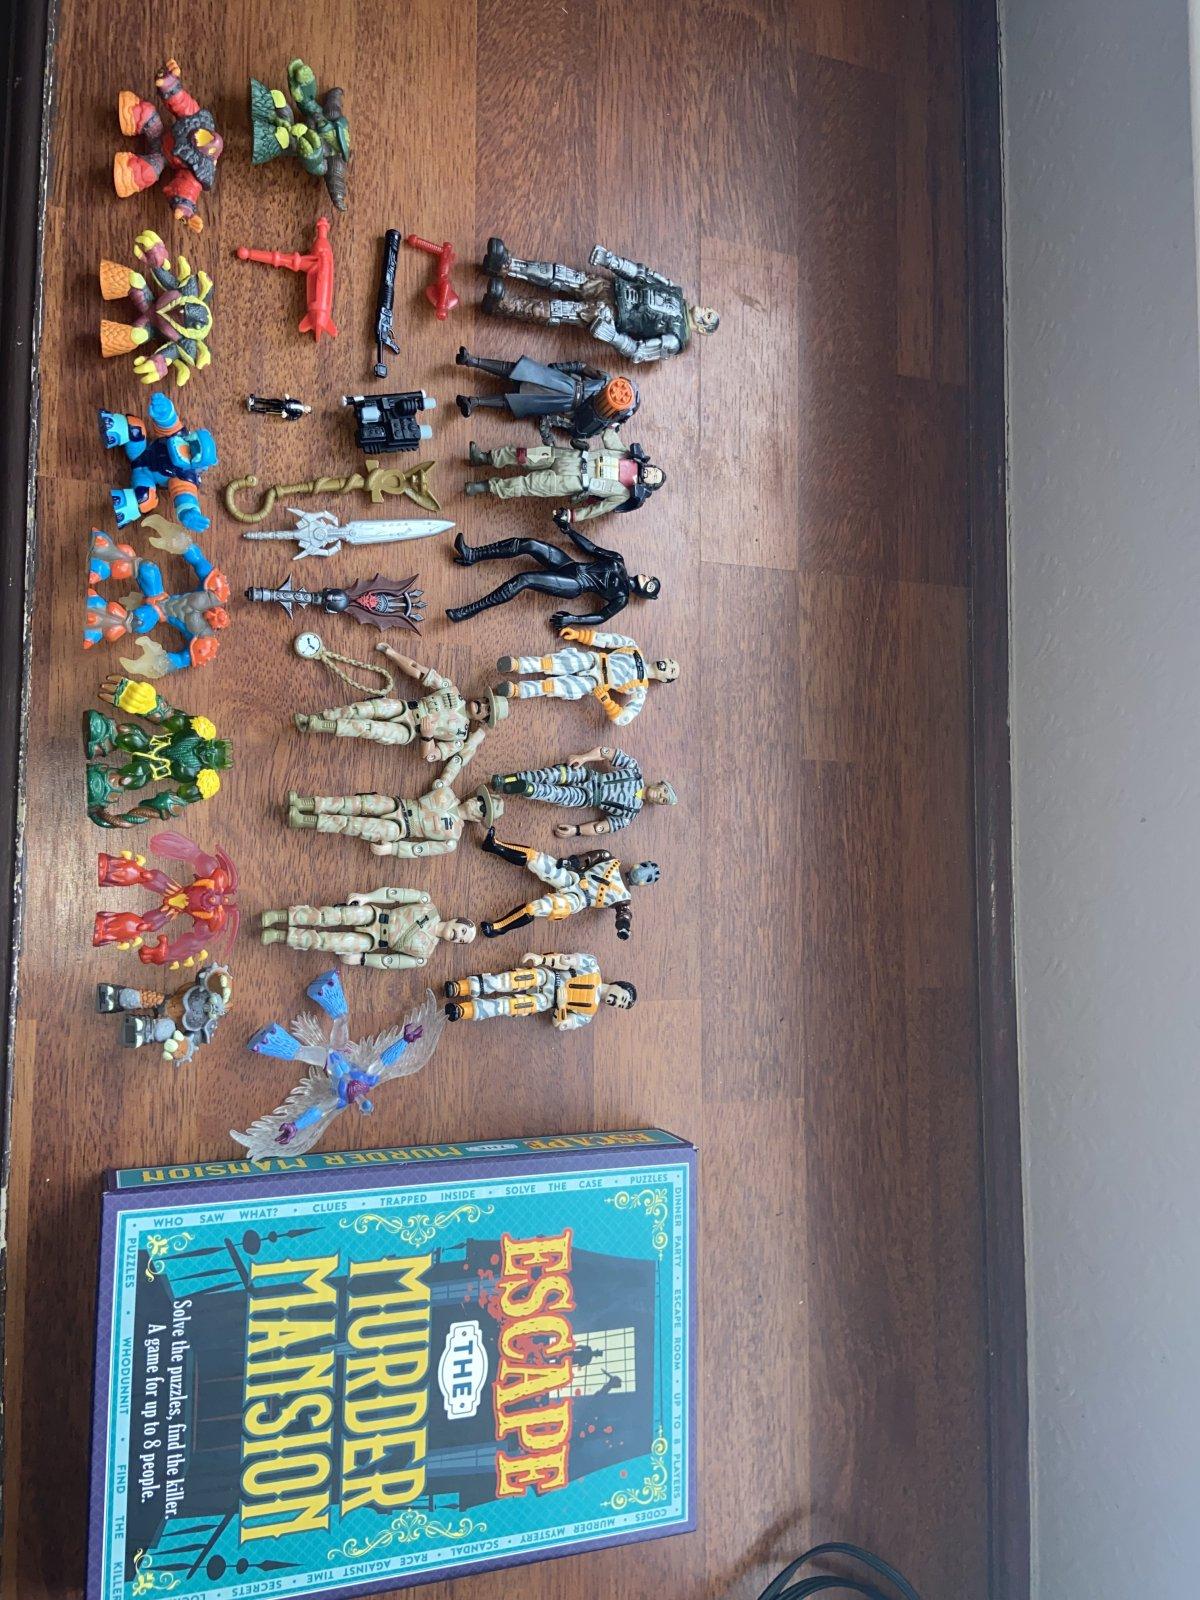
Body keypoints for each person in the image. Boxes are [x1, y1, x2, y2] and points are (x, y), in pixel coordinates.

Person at [478, 238, 719, 364]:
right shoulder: (675, 292)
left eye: (708, 315)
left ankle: (503, 304)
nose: (704, 310)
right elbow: (642, 274)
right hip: (613, 288)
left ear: (703, 329)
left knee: (561, 310)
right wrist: (612, 261)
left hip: (611, 315)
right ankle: (506, 264)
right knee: (563, 275)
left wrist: (612, 336)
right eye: (709, 309)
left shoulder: (675, 339)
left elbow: (638, 351)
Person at [287, 727, 501, 856]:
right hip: (399, 804)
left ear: (480, 818)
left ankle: (303, 820)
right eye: (481, 800)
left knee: (353, 825)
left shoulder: (452, 837)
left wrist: (394, 849)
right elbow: (457, 762)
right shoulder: (447, 793)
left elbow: (422, 850)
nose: (476, 803)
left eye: (482, 808)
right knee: (355, 803)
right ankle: (305, 803)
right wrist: (475, 739)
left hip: (400, 828)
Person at [261, 889, 474, 970]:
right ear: (456, 920)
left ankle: (280, 935)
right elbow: (393, 895)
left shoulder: (424, 955)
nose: (458, 936)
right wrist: (368, 897)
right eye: (463, 931)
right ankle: (281, 916)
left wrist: (362, 959)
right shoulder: (427, 905)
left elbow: (389, 961)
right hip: (375, 914)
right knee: (327, 915)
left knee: (325, 942)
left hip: (372, 942)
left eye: (462, 941)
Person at [490, 746, 677, 838]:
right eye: (664, 791)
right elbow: (606, 752)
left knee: (556, 795)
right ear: (659, 783)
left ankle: (528, 789)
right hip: (587, 775)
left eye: (663, 800)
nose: (660, 796)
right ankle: (507, 781)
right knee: (552, 774)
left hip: (586, 798)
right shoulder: (634, 770)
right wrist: (584, 758)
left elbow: (600, 827)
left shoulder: (630, 814)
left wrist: (576, 830)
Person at [443, 951, 636, 1030]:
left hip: (547, 1001)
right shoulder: (592, 966)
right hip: (549, 977)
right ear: (620, 985)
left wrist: (561, 1007)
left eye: (621, 1005)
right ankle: (463, 987)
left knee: (510, 1006)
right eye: (623, 998)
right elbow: (565, 960)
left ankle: (465, 1010)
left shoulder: (586, 1015)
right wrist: (542, 959)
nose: (618, 1002)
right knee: (506, 980)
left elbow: (560, 1024)